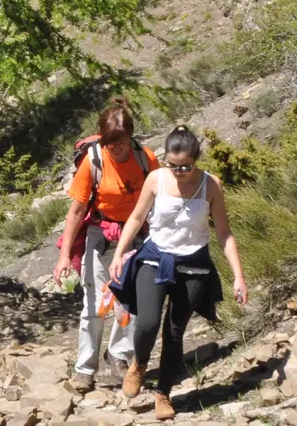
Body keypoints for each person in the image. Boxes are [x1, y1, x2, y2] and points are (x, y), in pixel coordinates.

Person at [106, 126, 249, 421]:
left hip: (194, 264)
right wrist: (118, 254)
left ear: (196, 158)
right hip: (156, 258)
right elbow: (136, 217)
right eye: (173, 165)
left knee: (175, 330)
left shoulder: (211, 185)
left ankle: (164, 394)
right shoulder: (156, 179)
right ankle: (140, 363)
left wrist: (238, 275)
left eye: (186, 166)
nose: (180, 171)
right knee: (146, 322)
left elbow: (223, 232)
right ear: (165, 159)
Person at [52, 99, 158, 393]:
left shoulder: (144, 158)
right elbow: (75, 211)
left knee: (131, 303)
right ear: (102, 139)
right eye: (111, 143)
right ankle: (85, 369)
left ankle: (120, 356)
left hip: (136, 236)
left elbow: (160, 199)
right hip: (101, 235)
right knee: (95, 306)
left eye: (122, 143)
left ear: (131, 138)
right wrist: (63, 257)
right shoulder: (94, 161)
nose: (117, 149)